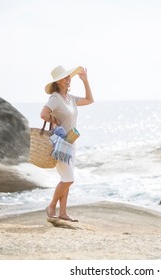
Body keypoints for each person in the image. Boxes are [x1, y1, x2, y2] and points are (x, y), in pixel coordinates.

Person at [41, 65, 94, 222]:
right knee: (68, 179)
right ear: (58, 82)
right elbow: (43, 114)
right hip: (60, 143)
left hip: (71, 142)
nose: (69, 79)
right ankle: (51, 205)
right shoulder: (55, 98)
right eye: (65, 77)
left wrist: (85, 80)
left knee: (67, 179)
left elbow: (90, 100)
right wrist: (53, 119)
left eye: (69, 77)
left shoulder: (70, 99)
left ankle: (63, 213)